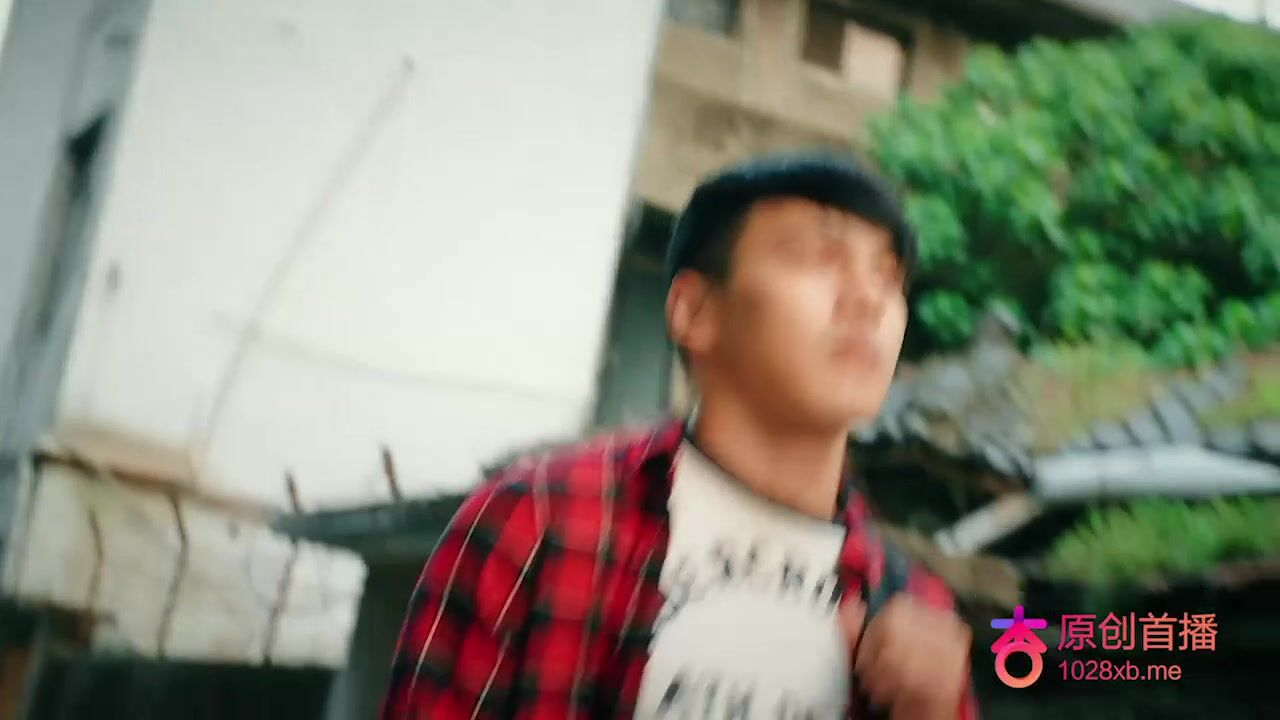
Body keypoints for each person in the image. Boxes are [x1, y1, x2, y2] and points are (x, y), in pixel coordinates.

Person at [381, 151, 978, 719]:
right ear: (694, 311)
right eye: (818, 258)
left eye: (888, 276)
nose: (870, 300)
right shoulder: (538, 522)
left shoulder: (915, 612)